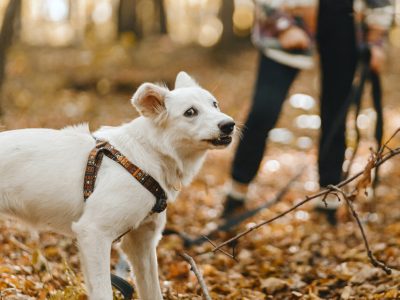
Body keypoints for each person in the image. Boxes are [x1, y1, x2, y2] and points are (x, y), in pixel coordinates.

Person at [222, 0, 393, 224]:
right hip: (289, 18)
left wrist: (376, 40)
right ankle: (237, 189)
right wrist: (282, 25)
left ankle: (329, 196)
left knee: (336, 115)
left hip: (345, 22)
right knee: (264, 109)